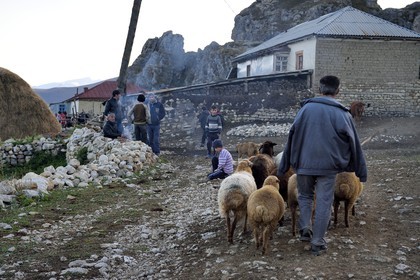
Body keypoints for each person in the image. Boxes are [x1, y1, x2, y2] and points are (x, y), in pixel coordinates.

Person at [277, 75, 367, 256]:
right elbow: (355, 143)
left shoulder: (304, 110)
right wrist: (360, 171)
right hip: (329, 166)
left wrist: (283, 165)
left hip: (303, 164)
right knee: (325, 201)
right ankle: (317, 242)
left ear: (319, 89)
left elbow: (291, 137)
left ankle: (305, 228)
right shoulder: (343, 114)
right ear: (338, 91)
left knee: (304, 195)